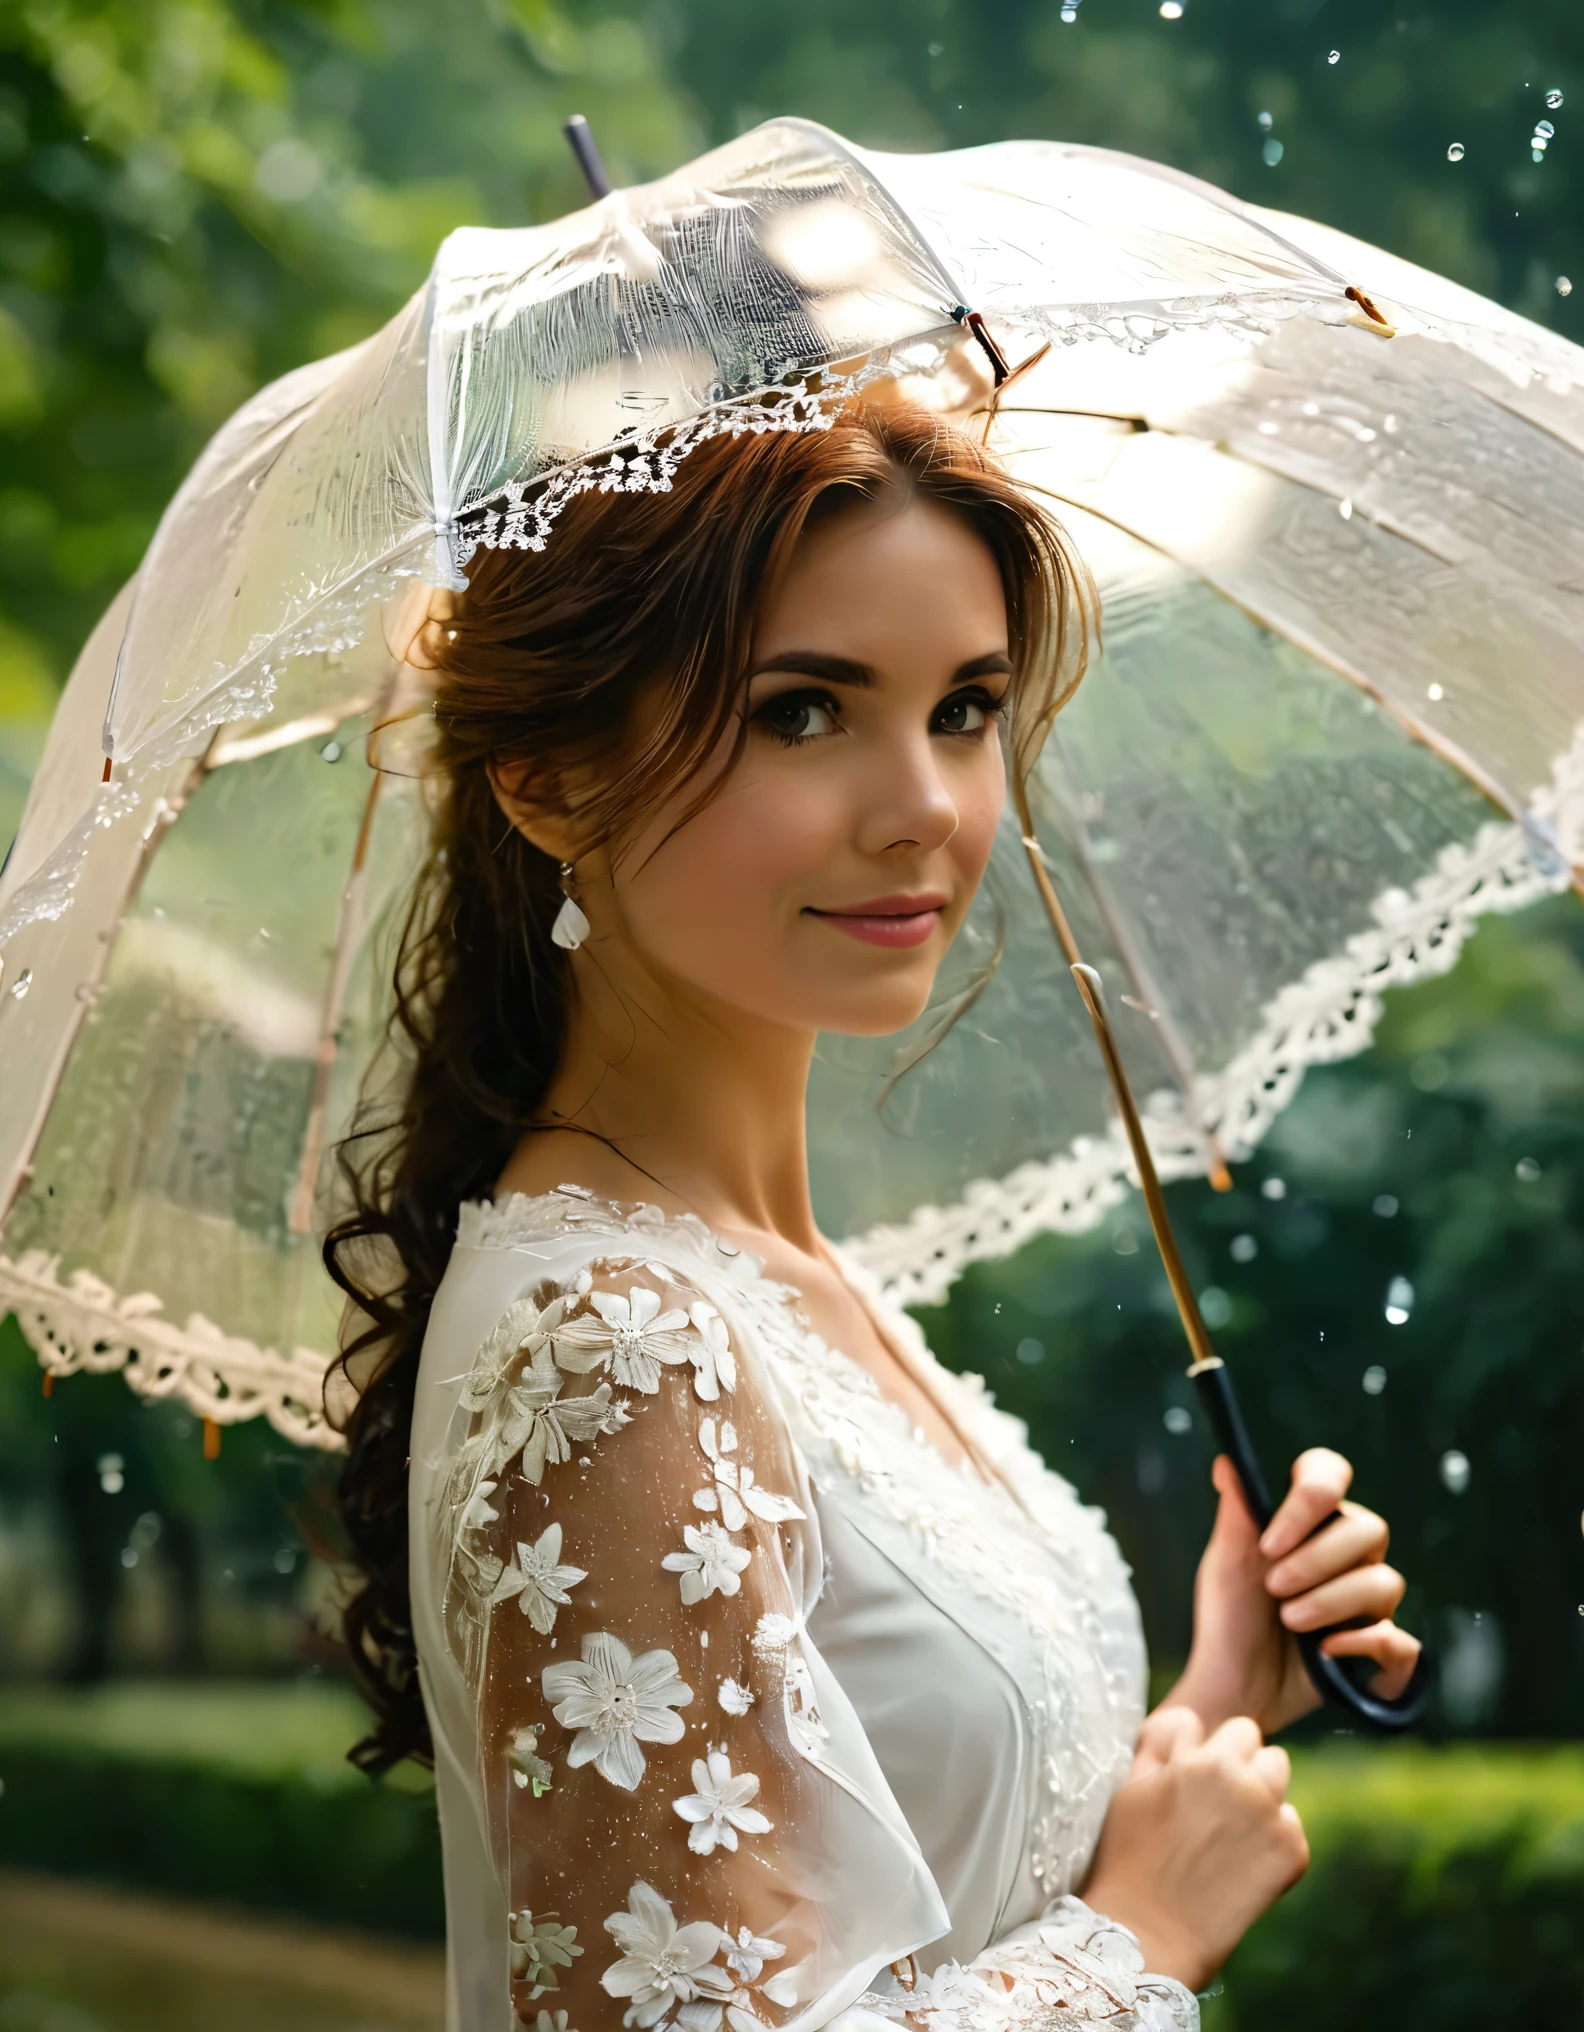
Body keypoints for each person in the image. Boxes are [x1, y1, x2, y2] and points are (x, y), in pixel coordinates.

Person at [328, 397, 1422, 2032]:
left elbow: (939, 1890)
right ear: (551, 781)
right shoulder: (612, 1348)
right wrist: (1146, 1937)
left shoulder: (787, 1287)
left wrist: (1220, 1690)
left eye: (967, 708)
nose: (924, 804)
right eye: (801, 714)